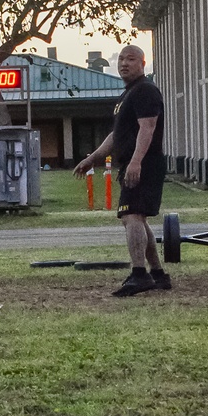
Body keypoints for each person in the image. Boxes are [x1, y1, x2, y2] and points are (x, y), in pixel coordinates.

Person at [73, 44, 170, 297]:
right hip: (131, 162)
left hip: (145, 162)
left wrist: (137, 161)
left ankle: (139, 275)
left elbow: (147, 128)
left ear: (142, 63)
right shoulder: (127, 95)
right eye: (122, 60)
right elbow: (117, 135)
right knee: (137, 217)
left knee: (131, 216)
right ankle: (158, 275)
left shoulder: (146, 91)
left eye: (131, 59)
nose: (124, 63)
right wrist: (92, 159)